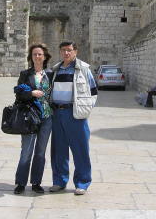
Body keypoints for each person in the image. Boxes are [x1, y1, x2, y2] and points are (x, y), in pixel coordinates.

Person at [49, 41, 97, 196]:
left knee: (80, 150)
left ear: (75, 51)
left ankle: (82, 183)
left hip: (75, 114)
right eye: (63, 50)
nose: (66, 53)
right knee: (58, 151)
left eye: (69, 50)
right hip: (57, 114)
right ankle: (59, 181)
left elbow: (93, 92)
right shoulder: (56, 70)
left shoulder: (83, 69)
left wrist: (85, 109)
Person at [13, 43, 53, 195]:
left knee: (41, 152)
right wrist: (31, 93)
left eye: (40, 54)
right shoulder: (25, 74)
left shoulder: (50, 74)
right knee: (26, 151)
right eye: (34, 54)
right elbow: (18, 93)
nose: (37, 57)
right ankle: (21, 183)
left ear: (44, 57)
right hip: (30, 116)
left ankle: (36, 182)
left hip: (47, 117)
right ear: (31, 57)